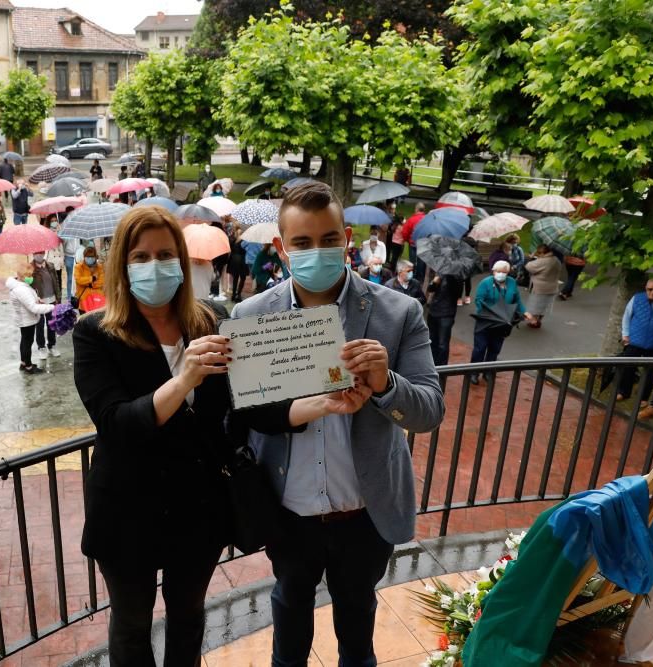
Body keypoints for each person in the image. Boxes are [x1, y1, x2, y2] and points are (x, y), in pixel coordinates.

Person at [232, 181, 444, 667]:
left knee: (357, 630)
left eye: (328, 239)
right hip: (289, 512)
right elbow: (247, 416)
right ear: (281, 249)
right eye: (302, 243)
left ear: (347, 237)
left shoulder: (398, 311)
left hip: (364, 513)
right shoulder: (252, 317)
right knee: (288, 629)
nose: (317, 252)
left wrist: (386, 382)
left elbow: (428, 410)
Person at [73, 206, 233, 665]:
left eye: (165, 254)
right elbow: (117, 423)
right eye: (140, 256)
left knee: (188, 616)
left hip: (197, 506)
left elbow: (234, 413)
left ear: (182, 263)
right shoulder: (96, 334)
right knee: (131, 624)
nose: (154, 265)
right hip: (127, 510)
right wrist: (183, 379)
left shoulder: (209, 321)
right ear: (122, 265)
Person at [469, 260, 535, 384]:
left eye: (504, 272)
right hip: (486, 321)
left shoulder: (512, 283)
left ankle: (488, 371)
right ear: (493, 271)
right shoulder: (485, 283)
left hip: (503, 322)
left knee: (495, 348)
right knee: (480, 348)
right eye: (498, 271)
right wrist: (490, 313)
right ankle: (474, 372)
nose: (501, 274)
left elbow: (517, 300)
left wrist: (524, 312)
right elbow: (479, 301)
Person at [615, 278, 653, 402]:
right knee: (627, 368)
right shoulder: (636, 299)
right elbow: (626, 316)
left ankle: (643, 397)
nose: (652, 293)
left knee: (650, 372)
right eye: (650, 289)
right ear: (646, 289)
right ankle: (623, 392)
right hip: (634, 341)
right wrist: (625, 335)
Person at [6, 265, 55, 374]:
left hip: (25, 318)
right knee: (27, 342)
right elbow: (33, 307)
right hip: (26, 319)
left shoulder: (22, 286)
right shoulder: (21, 289)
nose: (31, 277)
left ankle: (24, 362)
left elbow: (28, 299)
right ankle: (28, 366)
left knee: (25, 340)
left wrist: (37, 299)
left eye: (31, 275)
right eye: (28, 275)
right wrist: (51, 307)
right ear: (22, 276)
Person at [427, 273, 464, 366]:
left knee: (442, 344)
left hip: (447, 314)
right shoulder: (440, 274)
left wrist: (452, 281)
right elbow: (430, 289)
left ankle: (441, 368)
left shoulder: (457, 277)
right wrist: (434, 283)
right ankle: (431, 364)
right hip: (433, 311)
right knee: (432, 340)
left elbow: (458, 294)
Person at [31, 251, 62, 359]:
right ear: (33, 254)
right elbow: (29, 285)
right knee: (39, 325)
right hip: (39, 301)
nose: (39, 255)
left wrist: (58, 297)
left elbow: (57, 282)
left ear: (44, 253)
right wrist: (32, 274)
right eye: (36, 253)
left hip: (52, 299)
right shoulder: (30, 268)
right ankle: (41, 347)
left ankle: (52, 345)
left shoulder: (50, 266)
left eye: (41, 252)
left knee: (51, 324)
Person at [524, 244, 563, 328]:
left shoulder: (543, 261)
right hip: (552, 287)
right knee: (544, 306)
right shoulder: (556, 259)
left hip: (540, 288)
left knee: (535, 305)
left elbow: (529, 266)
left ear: (542, 253)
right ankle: (539, 320)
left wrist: (532, 257)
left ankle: (534, 322)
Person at [74, 246, 105, 312]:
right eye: (88, 257)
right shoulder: (79, 267)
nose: (90, 258)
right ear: (84, 257)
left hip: (97, 299)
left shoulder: (99, 267)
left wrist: (90, 284)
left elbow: (102, 281)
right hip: (83, 299)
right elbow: (79, 280)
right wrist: (92, 278)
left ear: (95, 257)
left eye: (92, 256)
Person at [227, 224, 250, 302]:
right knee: (242, 278)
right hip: (242, 260)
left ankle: (233, 294)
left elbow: (230, 250)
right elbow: (247, 250)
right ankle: (238, 294)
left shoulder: (233, 240)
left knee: (235, 278)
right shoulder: (244, 241)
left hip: (233, 260)